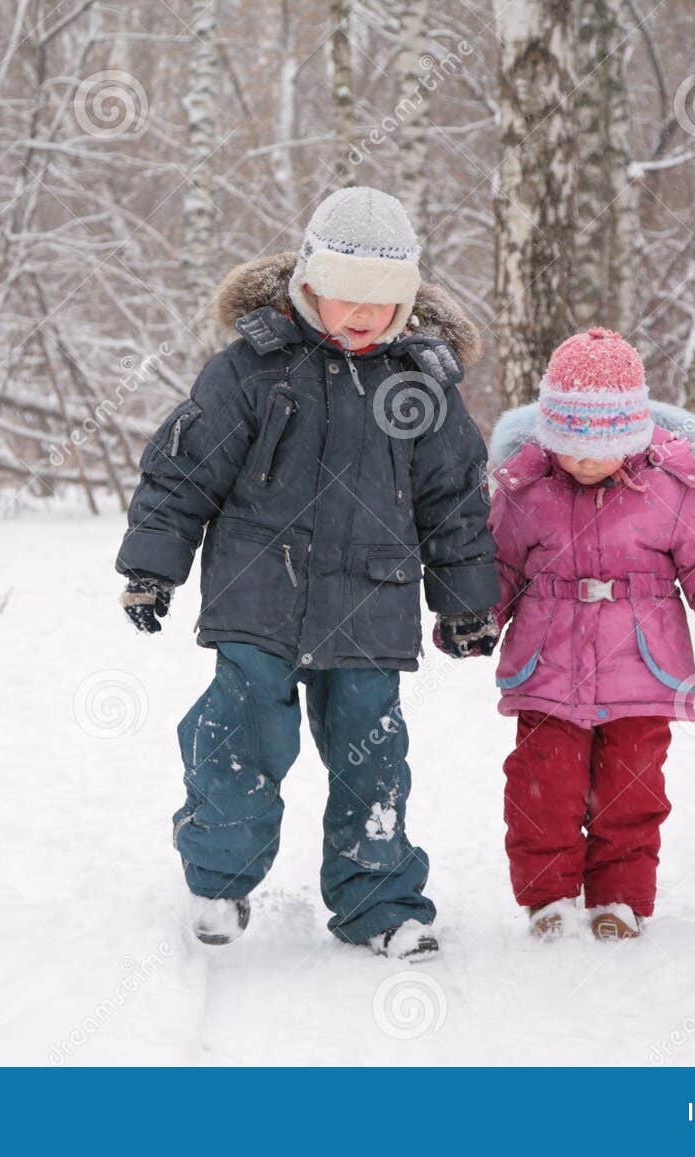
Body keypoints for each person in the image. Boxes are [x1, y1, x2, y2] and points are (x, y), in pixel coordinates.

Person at [116, 187, 498, 960]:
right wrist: (154, 567)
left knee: (374, 760)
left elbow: (453, 498)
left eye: (379, 306)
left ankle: (379, 901)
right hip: (259, 596)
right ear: (305, 285)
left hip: (371, 602)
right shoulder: (251, 368)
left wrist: (463, 602)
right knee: (240, 737)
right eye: (341, 300)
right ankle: (219, 878)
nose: (358, 319)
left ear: (407, 302)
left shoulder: (419, 384)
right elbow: (183, 471)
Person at [487, 327, 695, 941]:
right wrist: (473, 620)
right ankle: (548, 899)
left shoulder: (672, 487)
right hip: (546, 675)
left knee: (632, 794)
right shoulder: (526, 488)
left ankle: (619, 901)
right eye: (570, 444)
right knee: (542, 790)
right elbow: (499, 567)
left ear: (633, 433)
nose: (586, 460)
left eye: (603, 445)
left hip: (643, 676)